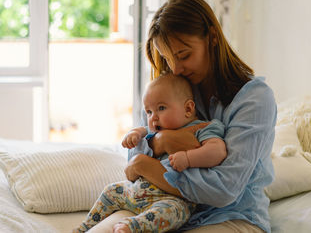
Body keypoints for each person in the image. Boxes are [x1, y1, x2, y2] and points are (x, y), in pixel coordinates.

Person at [91, 0, 277, 233]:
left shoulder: (255, 98)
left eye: (184, 55)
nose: (176, 69)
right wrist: (162, 142)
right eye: (168, 60)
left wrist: (149, 166)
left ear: (211, 38)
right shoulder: (172, 89)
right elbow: (132, 164)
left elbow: (223, 190)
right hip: (157, 205)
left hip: (230, 216)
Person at [74, 73, 227, 233]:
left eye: (161, 108)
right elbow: (143, 130)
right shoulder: (154, 130)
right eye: (148, 112)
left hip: (172, 198)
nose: (153, 118)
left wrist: (188, 158)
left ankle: (134, 226)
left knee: (172, 212)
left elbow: (217, 151)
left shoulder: (203, 128)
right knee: (111, 191)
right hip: (136, 191)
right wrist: (134, 134)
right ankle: (84, 227)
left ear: (188, 109)